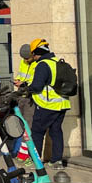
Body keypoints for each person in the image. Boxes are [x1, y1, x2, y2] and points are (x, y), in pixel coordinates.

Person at [27, 38, 71, 168]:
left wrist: (27, 88)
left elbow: (37, 86)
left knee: (37, 131)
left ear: (36, 53)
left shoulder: (43, 65)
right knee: (56, 131)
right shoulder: (58, 62)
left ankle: (35, 160)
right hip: (62, 104)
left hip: (47, 104)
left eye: (33, 54)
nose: (33, 57)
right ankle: (56, 160)